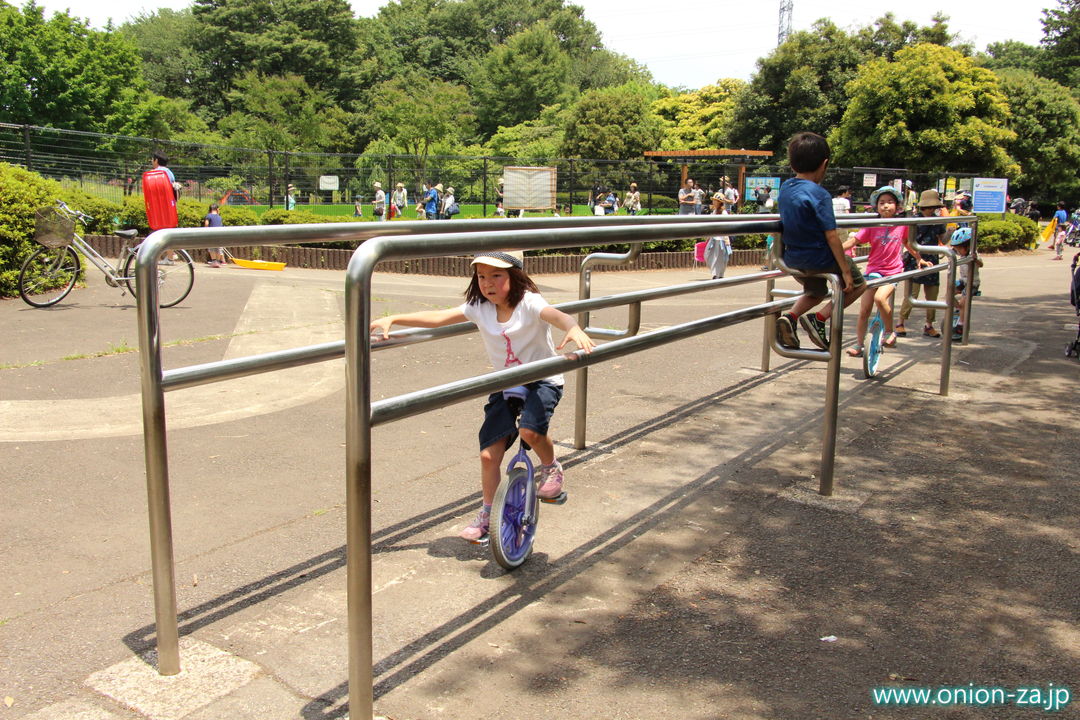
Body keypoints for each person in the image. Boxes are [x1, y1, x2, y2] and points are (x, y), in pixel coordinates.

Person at [369, 250, 595, 541]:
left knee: (529, 431)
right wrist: (395, 318)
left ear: (515, 278)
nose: (488, 283)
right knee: (489, 455)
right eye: (482, 276)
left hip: (541, 379)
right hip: (505, 383)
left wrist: (574, 328)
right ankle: (488, 513)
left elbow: (556, 315)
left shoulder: (529, 302)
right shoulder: (479, 307)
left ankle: (551, 468)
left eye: (496, 276)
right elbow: (440, 317)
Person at [774, 131, 867, 351]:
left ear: (793, 164)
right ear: (824, 164)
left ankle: (791, 316)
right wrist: (844, 270)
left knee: (815, 292)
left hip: (793, 258)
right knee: (858, 284)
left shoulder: (785, 189)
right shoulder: (820, 194)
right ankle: (819, 318)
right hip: (819, 257)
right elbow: (831, 236)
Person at [842, 186, 932, 357]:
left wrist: (919, 258)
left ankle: (890, 332)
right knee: (864, 309)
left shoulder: (901, 225)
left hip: (893, 271)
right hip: (874, 270)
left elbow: (908, 243)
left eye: (890, 202)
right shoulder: (872, 225)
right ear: (876, 206)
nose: (885, 206)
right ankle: (860, 344)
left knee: (880, 298)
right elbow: (854, 240)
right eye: (882, 203)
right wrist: (835, 249)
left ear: (897, 206)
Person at [898, 189, 946, 338]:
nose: (933, 210)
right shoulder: (914, 220)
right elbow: (906, 241)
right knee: (911, 294)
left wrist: (950, 226)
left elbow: (943, 240)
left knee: (932, 294)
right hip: (915, 260)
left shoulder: (937, 220)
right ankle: (900, 323)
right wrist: (918, 257)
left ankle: (929, 325)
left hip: (932, 260)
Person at [949, 227, 982, 340]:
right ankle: (959, 309)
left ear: (968, 246)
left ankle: (961, 324)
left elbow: (981, 264)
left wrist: (974, 259)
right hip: (963, 281)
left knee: (964, 301)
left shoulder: (973, 254)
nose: (957, 251)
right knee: (949, 293)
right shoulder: (961, 253)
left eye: (959, 249)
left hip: (972, 283)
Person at [202, 203, 225, 267]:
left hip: (211, 233)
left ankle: (214, 260)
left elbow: (206, 224)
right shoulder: (219, 217)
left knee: (212, 247)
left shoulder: (208, 216)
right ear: (217, 209)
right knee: (218, 248)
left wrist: (205, 230)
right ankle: (218, 261)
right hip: (219, 233)